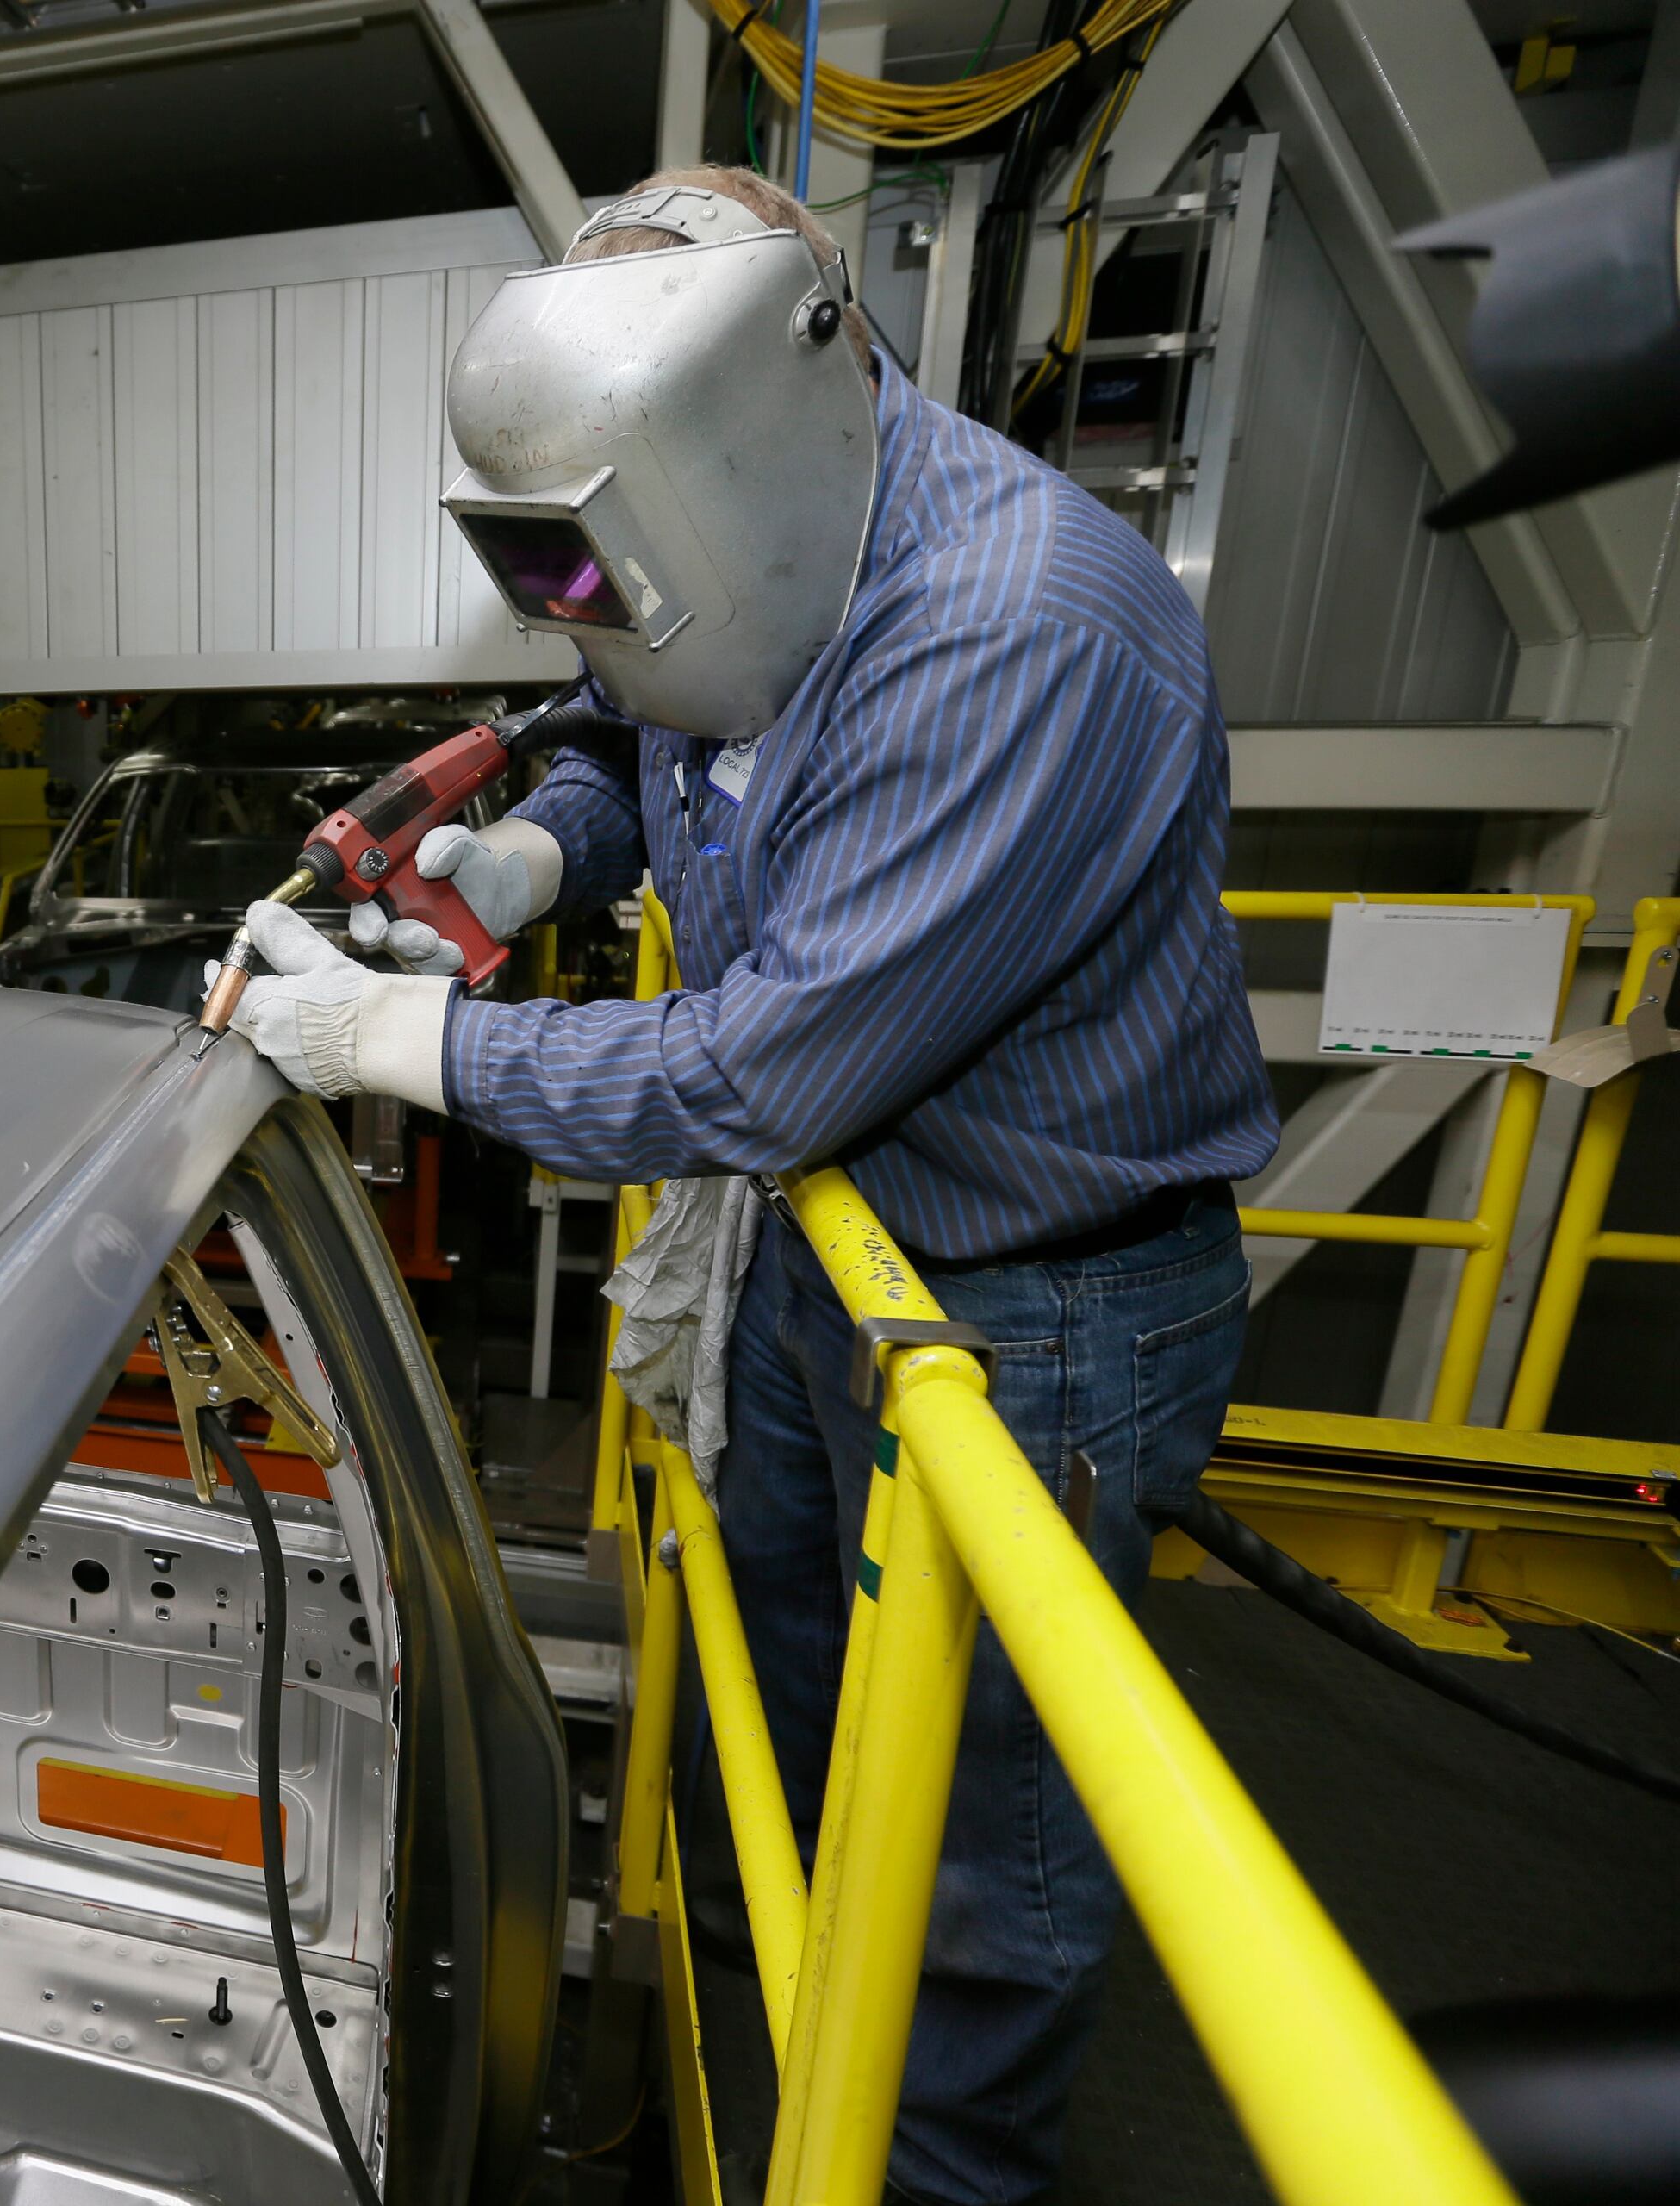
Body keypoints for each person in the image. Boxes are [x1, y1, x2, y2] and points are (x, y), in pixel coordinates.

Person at [223, 166, 1280, 2204]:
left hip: (1034, 1317)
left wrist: (397, 1043)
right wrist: (538, 853)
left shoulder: (1015, 638)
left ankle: (931, 2171)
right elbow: (630, 725)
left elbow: (767, 1066)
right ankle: (775, 2077)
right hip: (834, 1253)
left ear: (783, 403)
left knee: (974, 1857)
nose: (588, 601)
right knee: (796, 1740)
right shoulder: (739, 523)